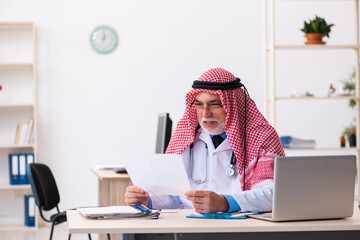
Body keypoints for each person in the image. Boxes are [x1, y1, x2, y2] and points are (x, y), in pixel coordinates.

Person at [125, 68, 285, 213]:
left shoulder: (263, 137)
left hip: (240, 226)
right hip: (190, 226)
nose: (205, 113)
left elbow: (274, 193)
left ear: (233, 105)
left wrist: (225, 202)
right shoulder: (186, 138)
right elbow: (174, 196)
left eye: (214, 104)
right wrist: (148, 200)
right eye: (199, 105)